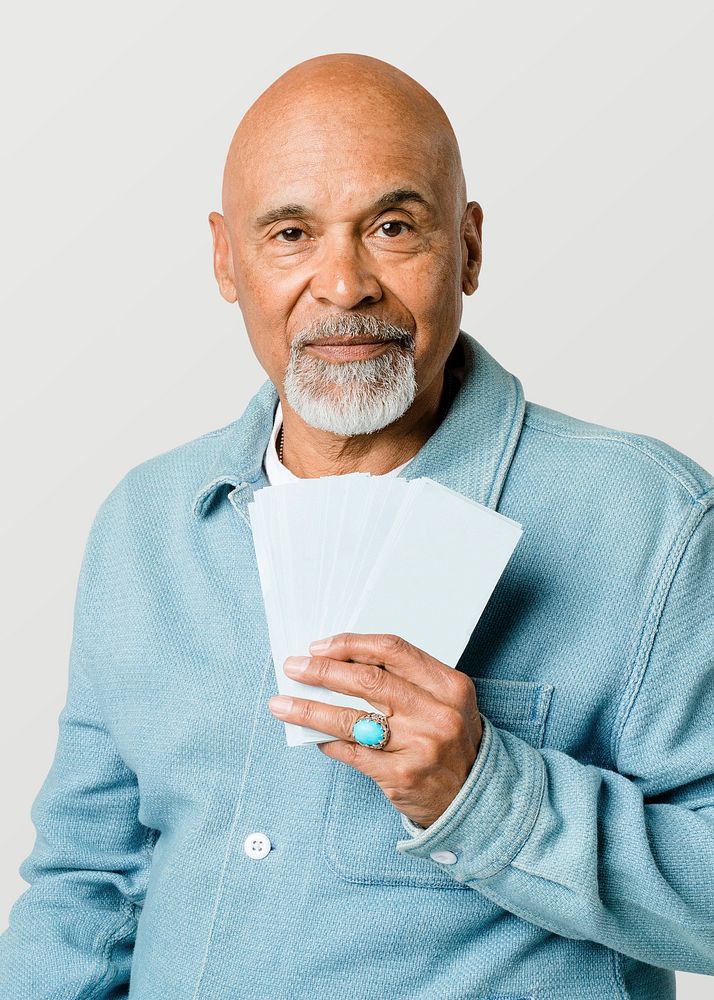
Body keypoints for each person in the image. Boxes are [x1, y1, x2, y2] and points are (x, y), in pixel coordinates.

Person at [1, 51, 713, 1000]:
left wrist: (484, 793)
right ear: (226, 258)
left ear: (469, 245)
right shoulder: (145, 522)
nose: (343, 285)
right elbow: (86, 887)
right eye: (291, 232)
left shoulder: (652, 522)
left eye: (391, 226)